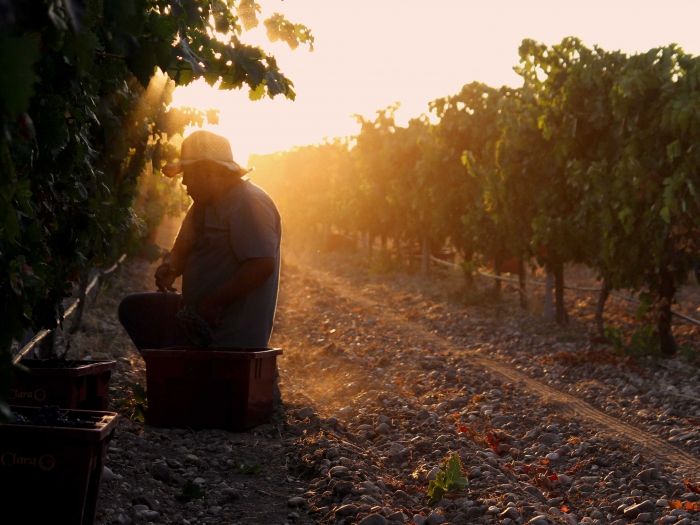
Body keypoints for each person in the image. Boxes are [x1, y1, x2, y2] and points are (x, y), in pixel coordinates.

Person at [118, 130, 282, 350]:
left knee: (167, 348)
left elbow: (261, 265)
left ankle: (177, 370)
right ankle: (170, 370)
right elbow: (182, 248)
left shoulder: (248, 202)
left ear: (209, 171)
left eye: (189, 172)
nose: (184, 181)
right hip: (197, 314)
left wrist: (215, 302)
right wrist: (171, 266)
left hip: (227, 330)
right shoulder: (203, 205)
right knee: (133, 309)